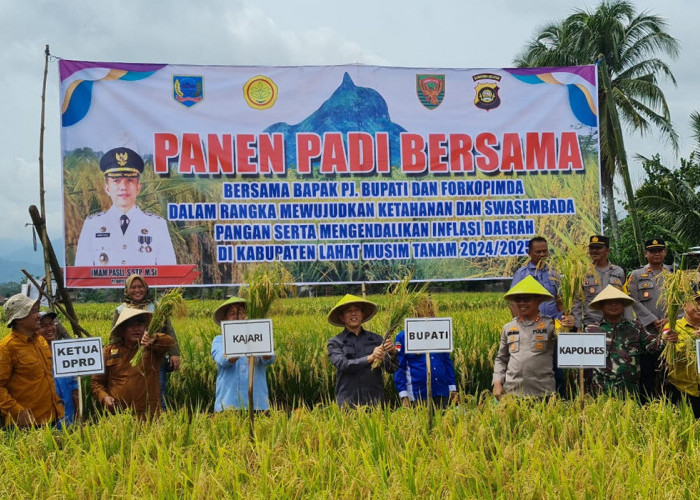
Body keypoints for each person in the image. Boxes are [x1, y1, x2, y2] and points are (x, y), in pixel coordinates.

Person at [75, 146, 176, 267]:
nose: (123, 187)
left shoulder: (157, 225)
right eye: (116, 181)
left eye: (129, 180)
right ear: (107, 188)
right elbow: (82, 272)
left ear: (138, 187)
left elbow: (168, 273)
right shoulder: (92, 225)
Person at [111, 274, 181, 408]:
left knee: (158, 393)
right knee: (133, 393)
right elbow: (115, 336)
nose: (137, 290)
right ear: (127, 290)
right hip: (130, 360)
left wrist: (174, 353)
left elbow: (169, 330)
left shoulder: (157, 307)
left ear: (146, 288)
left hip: (155, 358)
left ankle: (162, 422)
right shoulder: (121, 310)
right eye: (133, 287)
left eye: (140, 286)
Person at [584, 285, 667, 396]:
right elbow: (583, 367)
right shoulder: (591, 330)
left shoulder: (636, 328)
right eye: (609, 302)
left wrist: (668, 337)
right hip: (600, 393)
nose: (614, 305)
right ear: (602, 306)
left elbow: (655, 347)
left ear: (623, 305)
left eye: (617, 302)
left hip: (630, 394)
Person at [91, 308, 174, 419]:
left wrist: (155, 338)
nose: (136, 329)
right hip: (119, 416)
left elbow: (168, 342)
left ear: (145, 328)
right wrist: (104, 397)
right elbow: (96, 382)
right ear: (122, 330)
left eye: (140, 324)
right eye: (131, 325)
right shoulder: (108, 352)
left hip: (149, 416)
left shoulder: (153, 348)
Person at [0, 294, 63, 426]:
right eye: (34, 311)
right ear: (19, 319)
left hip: (52, 417)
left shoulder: (40, 340)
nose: (39, 315)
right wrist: (17, 411)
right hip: (27, 425)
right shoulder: (7, 348)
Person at [327, 294, 398, 408]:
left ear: (362, 314)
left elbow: (391, 369)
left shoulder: (377, 339)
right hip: (348, 403)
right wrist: (371, 357)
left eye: (357, 310)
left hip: (375, 403)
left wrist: (392, 353)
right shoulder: (335, 342)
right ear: (342, 317)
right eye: (348, 311)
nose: (353, 313)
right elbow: (344, 365)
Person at [493, 275, 556, 399]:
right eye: (518, 300)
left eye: (526, 300)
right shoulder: (509, 327)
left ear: (538, 300)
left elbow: (568, 337)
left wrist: (569, 323)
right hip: (513, 393)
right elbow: (501, 358)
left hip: (543, 393)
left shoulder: (551, 325)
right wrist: (497, 382)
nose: (522, 303)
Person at [210, 297, 275, 411]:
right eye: (232, 314)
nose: (237, 317)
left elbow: (269, 358)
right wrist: (242, 341)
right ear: (225, 319)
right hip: (229, 404)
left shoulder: (258, 337)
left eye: (242, 313)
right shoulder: (219, 340)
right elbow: (224, 360)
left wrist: (258, 342)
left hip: (257, 404)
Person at [626, 238, 670, 400]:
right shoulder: (637, 275)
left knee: (669, 370)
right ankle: (647, 403)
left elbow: (680, 301)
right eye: (652, 251)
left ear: (665, 252)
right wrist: (652, 320)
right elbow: (632, 300)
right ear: (646, 254)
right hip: (647, 331)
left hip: (669, 330)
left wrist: (669, 320)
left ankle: (670, 403)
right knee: (647, 371)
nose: (656, 253)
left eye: (660, 250)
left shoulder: (673, 274)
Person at [394, 296, 457, 407]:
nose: (430, 312)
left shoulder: (440, 334)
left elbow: (447, 362)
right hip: (417, 394)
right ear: (416, 312)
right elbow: (399, 367)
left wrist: (452, 388)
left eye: (431, 309)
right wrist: (404, 395)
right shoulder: (403, 337)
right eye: (426, 309)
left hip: (442, 392)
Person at [570, 235, 632, 330]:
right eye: (592, 248)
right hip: (592, 325)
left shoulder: (618, 271)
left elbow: (625, 298)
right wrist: (577, 327)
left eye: (598, 248)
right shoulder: (582, 272)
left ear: (608, 251)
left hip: (616, 325)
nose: (594, 251)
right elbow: (577, 301)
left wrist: (629, 323)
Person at [661, 283, 700, 417]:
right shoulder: (671, 327)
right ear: (685, 303)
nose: (699, 307)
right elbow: (669, 356)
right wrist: (689, 341)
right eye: (696, 302)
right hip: (682, 390)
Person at [38, 311, 79, 426]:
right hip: (44, 421)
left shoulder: (65, 352)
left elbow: (74, 385)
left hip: (68, 417)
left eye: (51, 324)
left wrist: (79, 413)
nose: (49, 328)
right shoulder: (33, 355)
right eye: (43, 326)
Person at [510, 236, 561, 319]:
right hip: (530, 324)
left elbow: (560, 301)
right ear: (529, 253)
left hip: (552, 322)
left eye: (544, 251)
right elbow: (513, 303)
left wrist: (561, 320)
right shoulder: (522, 274)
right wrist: (520, 324)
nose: (542, 254)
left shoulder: (553, 273)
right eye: (538, 252)